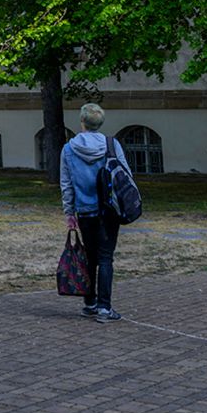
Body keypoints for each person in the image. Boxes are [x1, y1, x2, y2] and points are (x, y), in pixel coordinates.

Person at [60, 103, 129, 322]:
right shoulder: (111, 144)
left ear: (82, 121)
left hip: (85, 210)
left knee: (89, 257)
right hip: (109, 210)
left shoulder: (69, 149)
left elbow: (66, 184)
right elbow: (124, 175)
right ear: (100, 123)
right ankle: (104, 308)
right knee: (106, 257)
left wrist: (69, 213)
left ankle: (89, 303)